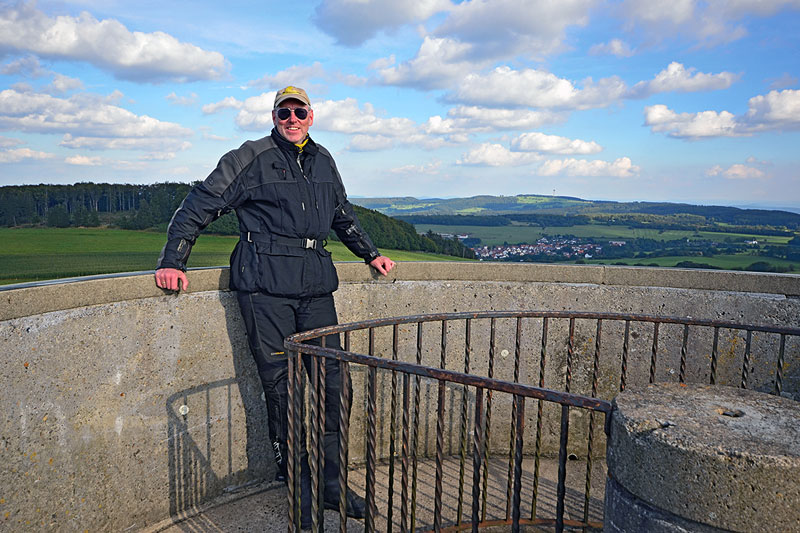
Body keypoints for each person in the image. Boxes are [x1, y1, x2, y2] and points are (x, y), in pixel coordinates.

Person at [154, 85, 395, 527]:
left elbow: (342, 214)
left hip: (316, 286)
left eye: (299, 110)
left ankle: (332, 484)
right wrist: (173, 260)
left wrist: (370, 252)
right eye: (284, 111)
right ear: (274, 115)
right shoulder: (249, 156)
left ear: (311, 115)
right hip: (264, 287)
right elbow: (199, 204)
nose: (292, 118)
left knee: (334, 385)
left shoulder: (324, 160)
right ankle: (298, 487)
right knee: (283, 390)